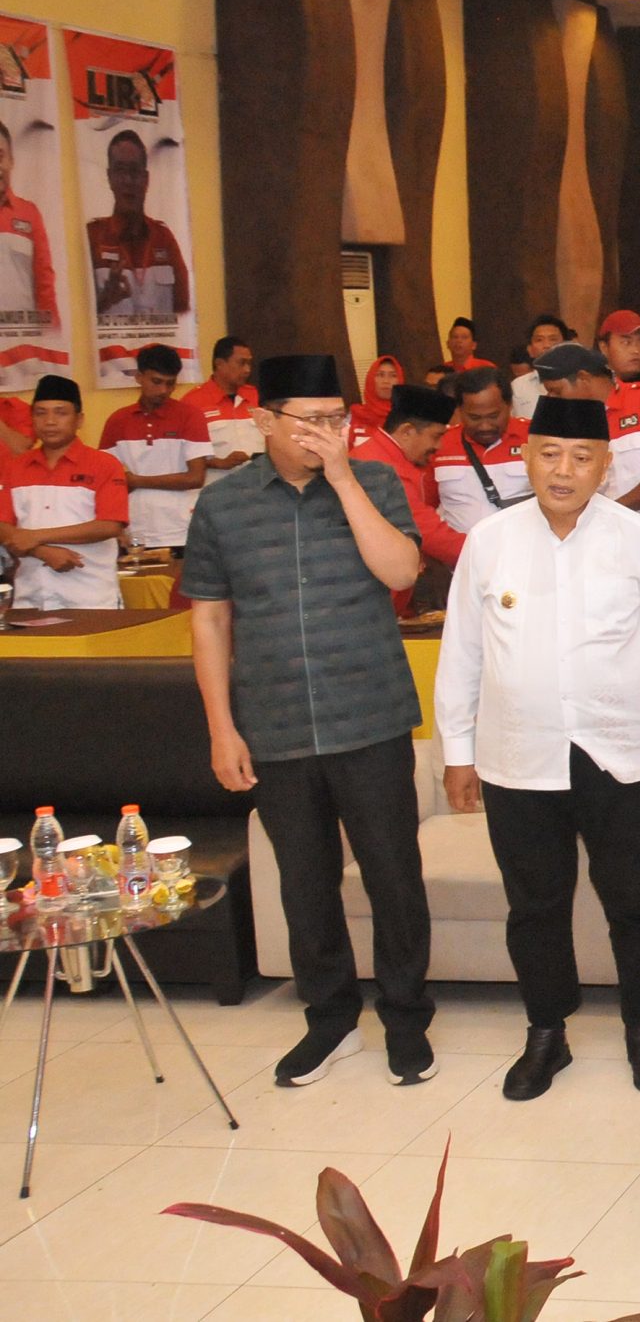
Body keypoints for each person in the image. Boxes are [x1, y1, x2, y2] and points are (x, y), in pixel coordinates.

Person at [437, 394, 640, 1100]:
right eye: (549, 454)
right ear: (526, 457)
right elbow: (461, 653)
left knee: (636, 902)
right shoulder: (489, 540)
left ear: (605, 466)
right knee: (534, 907)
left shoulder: (638, 539)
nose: (563, 470)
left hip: (618, 751)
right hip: (516, 756)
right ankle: (546, 1033)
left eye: (582, 457)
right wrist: (456, 752)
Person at [182, 354, 434, 1088]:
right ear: (265, 420)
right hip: (276, 723)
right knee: (304, 882)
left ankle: (406, 1019)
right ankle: (329, 1019)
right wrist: (221, 729)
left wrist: (344, 477)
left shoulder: (375, 481)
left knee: (394, 876)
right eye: (311, 420)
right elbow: (210, 622)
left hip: (371, 715)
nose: (328, 431)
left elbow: (402, 572)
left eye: (338, 419)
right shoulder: (223, 505)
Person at [538, 336, 640, 608]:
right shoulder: (573, 424)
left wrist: (612, 511)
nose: (552, 399)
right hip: (613, 560)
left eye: (556, 390)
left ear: (583, 378)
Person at [0, 374, 128, 609]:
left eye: (61, 413)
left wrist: (37, 537)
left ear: (79, 419)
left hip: (92, 599)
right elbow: (3, 525)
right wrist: (42, 551)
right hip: (30, 599)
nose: (50, 421)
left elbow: (110, 525)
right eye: (41, 413)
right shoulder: (15, 467)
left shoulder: (104, 464)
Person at [351, 383, 466, 613]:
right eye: (436, 436)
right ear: (406, 431)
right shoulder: (379, 467)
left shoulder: (387, 457)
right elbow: (430, 533)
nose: (439, 446)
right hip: (374, 597)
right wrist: (491, 553)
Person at [99, 343, 209, 553]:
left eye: (170, 383)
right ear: (139, 377)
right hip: (132, 531)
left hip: (181, 531)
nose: (163, 391)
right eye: (156, 382)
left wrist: (136, 481)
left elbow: (195, 478)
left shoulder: (191, 416)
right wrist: (116, 528)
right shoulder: (117, 421)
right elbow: (107, 483)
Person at [87, 129, 189, 321]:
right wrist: (104, 300)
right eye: (120, 170)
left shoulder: (164, 239)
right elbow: (76, 316)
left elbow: (185, 316)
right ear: (110, 177)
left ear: (146, 179)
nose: (128, 180)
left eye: (134, 171)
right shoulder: (93, 238)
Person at [434, 365, 532, 534]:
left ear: (509, 405)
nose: (485, 426)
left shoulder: (535, 439)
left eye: (493, 416)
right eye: (474, 418)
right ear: (459, 410)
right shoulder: (439, 443)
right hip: (460, 549)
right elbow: (425, 505)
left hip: (523, 546)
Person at [0, 117, 59, 330]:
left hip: (23, 341)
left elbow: (45, 288)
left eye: (0, 156)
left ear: (11, 161)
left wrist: (53, 339)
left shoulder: (29, 214)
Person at [188, 334, 263, 478]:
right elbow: (182, 454)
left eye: (249, 363)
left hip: (256, 484)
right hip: (215, 484)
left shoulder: (257, 396)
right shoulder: (193, 402)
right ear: (219, 364)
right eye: (241, 363)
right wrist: (218, 462)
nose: (247, 370)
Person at [512, 315, 572, 419]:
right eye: (539, 340)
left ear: (567, 346)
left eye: (553, 339)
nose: (547, 345)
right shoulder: (517, 387)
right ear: (530, 350)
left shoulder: (579, 382)